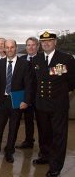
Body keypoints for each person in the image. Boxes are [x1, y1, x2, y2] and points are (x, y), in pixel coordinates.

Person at [31, 30, 75, 177]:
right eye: (43, 42)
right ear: (40, 44)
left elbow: (72, 81)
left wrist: (61, 94)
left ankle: (56, 165)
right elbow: (34, 82)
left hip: (58, 105)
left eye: (49, 41)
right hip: (41, 104)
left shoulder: (67, 58)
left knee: (58, 136)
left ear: (55, 42)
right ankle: (45, 156)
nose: (46, 43)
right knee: (44, 133)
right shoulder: (36, 59)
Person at [0, 39, 32, 164]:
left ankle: (9, 152)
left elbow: (29, 85)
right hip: (2, 101)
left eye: (12, 47)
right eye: (7, 47)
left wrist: (26, 101)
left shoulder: (25, 64)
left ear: (16, 48)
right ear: (4, 49)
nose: (10, 49)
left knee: (13, 128)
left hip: (17, 102)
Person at [16, 36, 39, 149]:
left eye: (33, 45)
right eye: (28, 45)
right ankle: (29, 141)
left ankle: (45, 145)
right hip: (26, 96)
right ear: (26, 47)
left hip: (40, 97)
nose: (30, 47)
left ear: (37, 46)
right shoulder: (22, 59)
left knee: (41, 122)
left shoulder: (42, 59)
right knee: (28, 120)